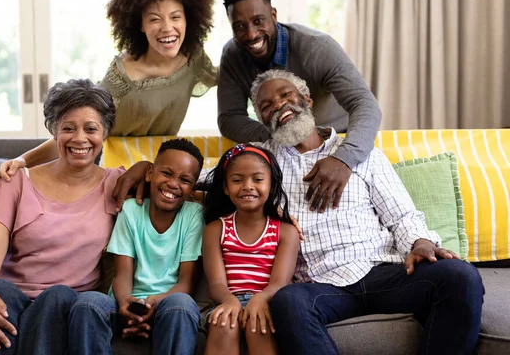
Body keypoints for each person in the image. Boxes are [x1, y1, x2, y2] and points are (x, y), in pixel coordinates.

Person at [248, 69, 484, 355]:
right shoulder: (259, 163)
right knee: (288, 302)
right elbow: (206, 181)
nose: (278, 106)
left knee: (461, 276)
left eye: (285, 95)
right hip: (321, 283)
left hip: (381, 271)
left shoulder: (358, 151)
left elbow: (402, 215)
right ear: (262, 120)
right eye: (266, 106)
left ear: (307, 99)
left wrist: (420, 242)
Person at [0, 0, 215, 181]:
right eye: (154, 19)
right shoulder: (123, 74)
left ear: (189, 19)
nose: (167, 27)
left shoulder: (194, 59)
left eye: (176, 17)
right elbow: (79, 128)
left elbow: (228, 79)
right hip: (113, 166)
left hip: (160, 165)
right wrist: (22, 160)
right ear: (140, 25)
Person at [0, 79, 123, 354]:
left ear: (105, 133)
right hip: (10, 298)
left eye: (91, 129)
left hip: (69, 304)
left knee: (57, 296)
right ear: (53, 132)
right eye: (68, 129)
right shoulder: (14, 181)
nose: (80, 138)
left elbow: (174, 185)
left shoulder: (119, 184)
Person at [218, 0, 382, 212]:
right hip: (283, 149)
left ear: (273, 15)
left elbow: (365, 104)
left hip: (339, 144)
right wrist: (282, 132)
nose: (251, 34)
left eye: (258, 21)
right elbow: (229, 118)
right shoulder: (232, 55)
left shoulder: (317, 48)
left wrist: (344, 158)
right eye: (239, 26)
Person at [106, 138, 205, 354]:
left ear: (193, 188)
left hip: (168, 306)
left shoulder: (194, 215)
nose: (173, 184)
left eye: (184, 179)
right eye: (167, 174)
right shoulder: (131, 210)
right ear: (149, 173)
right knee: (88, 303)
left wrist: (153, 303)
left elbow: (186, 284)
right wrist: (125, 303)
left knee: (181, 304)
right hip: (125, 303)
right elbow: (122, 275)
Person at [202, 144, 299, 355]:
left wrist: (260, 299)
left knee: (258, 325)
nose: (248, 186)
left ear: (272, 185)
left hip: (268, 300)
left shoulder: (286, 232)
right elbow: (217, 284)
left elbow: (280, 283)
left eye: (257, 179)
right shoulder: (215, 230)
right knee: (223, 323)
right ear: (226, 188)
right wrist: (230, 301)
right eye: (237, 180)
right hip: (228, 298)